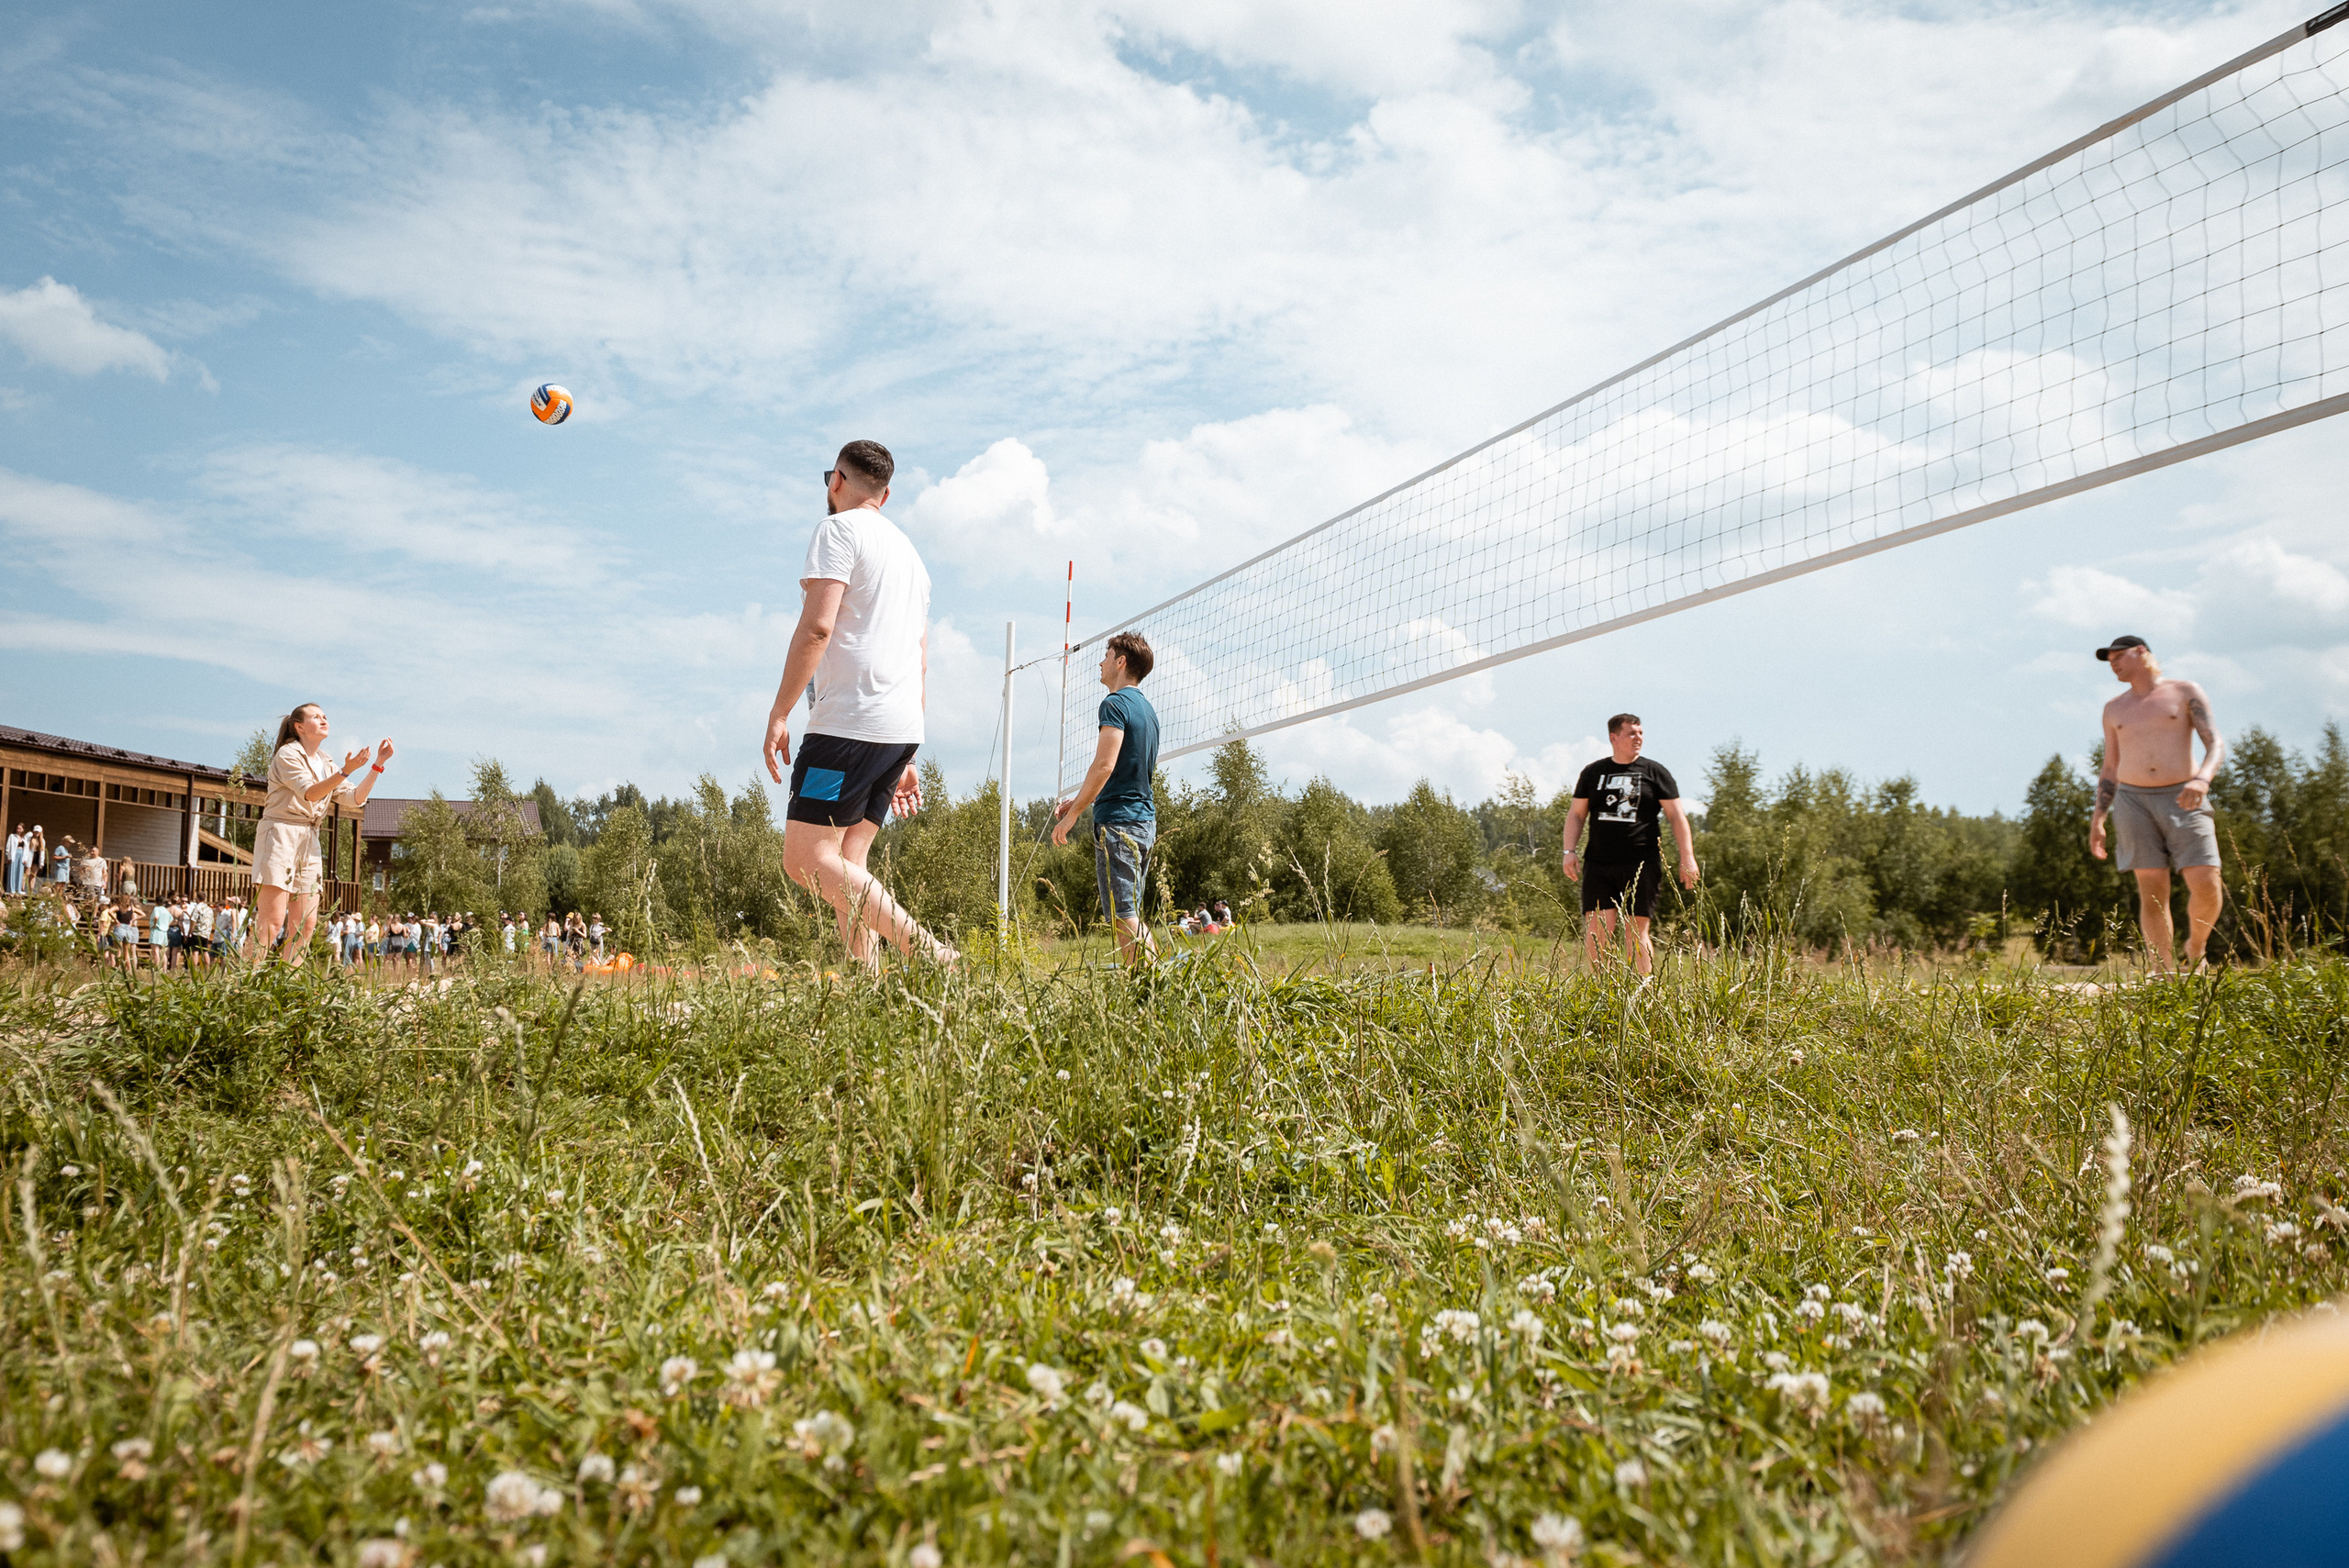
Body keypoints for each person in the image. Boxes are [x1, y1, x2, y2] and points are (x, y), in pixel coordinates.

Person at [762, 440, 955, 970]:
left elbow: (817, 626)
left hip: (849, 724)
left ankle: (933, 955)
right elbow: (918, 657)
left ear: (837, 482)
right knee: (850, 861)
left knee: (806, 859)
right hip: (900, 728)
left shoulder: (836, 531)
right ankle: (864, 988)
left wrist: (780, 714)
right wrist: (908, 757)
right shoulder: (913, 559)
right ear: (886, 494)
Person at [2087, 635, 2226, 973]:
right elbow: (2110, 767)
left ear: (2141, 652)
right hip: (2133, 801)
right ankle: (2162, 972)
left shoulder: (2184, 692)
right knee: (2151, 890)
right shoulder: (2114, 708)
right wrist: (2098, 818)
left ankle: (2196, 947)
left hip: (2184, 795)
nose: (2114, 664)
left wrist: (2202, 779)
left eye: (2118, 656)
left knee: (2207, 881)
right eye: (2109, 660)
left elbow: (2216, 743)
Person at [247, 705, 394, 968]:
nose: (324, 719)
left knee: (305, 924)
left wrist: (377, 764)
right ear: (299, 727)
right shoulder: (287, 754)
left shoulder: (325, 761)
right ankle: (241, 986)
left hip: (310, 837)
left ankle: (285, 986)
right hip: (281, 832)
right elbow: (310, 793)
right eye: (316, 717)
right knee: (272, 922)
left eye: (325, 716)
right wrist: (345, 771)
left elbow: (355, 799)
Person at [1048, 632, 1163, 967]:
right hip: (1143, 821)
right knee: (1129, 912)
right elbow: (1122, 770)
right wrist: (1079, 801)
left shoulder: (1114, 703)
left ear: (1121, 662)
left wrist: (1073, 817)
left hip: (1120, 823)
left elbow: (1104, 764)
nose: (1101, 662)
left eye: (1106, 655)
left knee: (1124, 914)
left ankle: (1153, 990)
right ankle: (1143, 990)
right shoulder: (1148, 710)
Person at [1564, 713, 1699, 975]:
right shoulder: (1594, 773)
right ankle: (1600, 992)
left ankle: (1643, 993)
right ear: (1614, 737)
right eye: (1631, 733)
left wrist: (1687, 857)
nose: (1638, 738)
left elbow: (1676, 816)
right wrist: (1569, 851)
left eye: (1640, 732)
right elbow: (1576, 814)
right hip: (1599, 863)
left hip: (1642, 862)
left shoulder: (1655, 772)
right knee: (1596, 930)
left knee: (1636, 930)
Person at [4, 823, 24, 896]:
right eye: (17, 828)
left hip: (21, 854)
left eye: (20, 828)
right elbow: (8, 846)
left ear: (23, 829)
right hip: (14, 854)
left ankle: (18, 889)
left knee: (20, 871)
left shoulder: (23, 838)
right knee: (13, 870)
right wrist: (8, 856)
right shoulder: (12, 836)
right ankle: (11, 889)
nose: (18, 830)